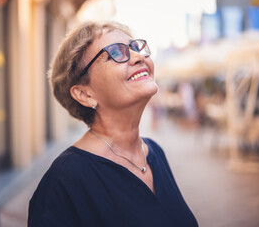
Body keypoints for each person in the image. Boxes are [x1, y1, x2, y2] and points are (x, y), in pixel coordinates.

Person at [28, 21, 198, 227]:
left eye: (135, 47)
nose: (139, 57)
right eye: (116, 53)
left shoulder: (155, 153)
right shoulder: (64, 180)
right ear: (84, 94)